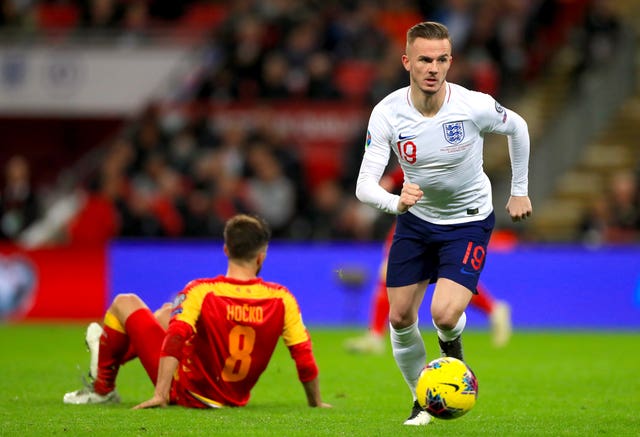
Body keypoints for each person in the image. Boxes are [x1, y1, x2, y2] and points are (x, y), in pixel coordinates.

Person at [355, 21, 532, 426]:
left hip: (468, 221)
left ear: (450, 61)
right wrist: (394, 203)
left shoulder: (472, 105)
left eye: (441, 59)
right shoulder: (387, 113)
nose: (433, 68)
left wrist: (519, 190)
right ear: (407, 62)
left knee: (445, 315)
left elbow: (517, 127)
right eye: (424, 60)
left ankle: (453, 358)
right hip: (416, 222)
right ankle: (422, 401)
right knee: (399, 317)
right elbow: (365, 186)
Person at [63, 213, 331, 409]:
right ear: (261, 256)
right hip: (233, 397)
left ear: (226, 250)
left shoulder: (202, 290)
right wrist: (316, 402)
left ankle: (103, 387)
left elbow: (177, 337)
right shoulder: (282, 298)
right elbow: (303, 356)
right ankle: (105, 356)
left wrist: (161, 393)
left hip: (188, 392)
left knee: (125, 301)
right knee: (166, 314)